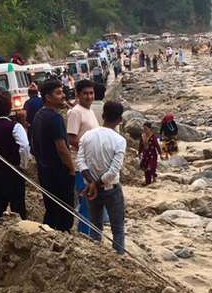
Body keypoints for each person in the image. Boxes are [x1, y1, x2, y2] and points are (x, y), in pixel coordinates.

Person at [77, 101, 128, 255]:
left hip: (91, 189)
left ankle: (96, 256)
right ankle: (119, 259)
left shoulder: (87, 136)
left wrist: (91, 183)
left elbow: (80, 161)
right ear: (120, 119)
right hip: (111, 189)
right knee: (117, 229)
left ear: (103, 116)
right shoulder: (119, 140)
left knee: (95, 226)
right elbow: (113, 170)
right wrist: (96, 184)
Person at [30, 79, 76, 231]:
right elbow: (61, 148)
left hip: (44, 172)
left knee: (51, 211)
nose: (63, 96)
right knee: (65, 214)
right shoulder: (55, 118)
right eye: (59, 93)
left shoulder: (38, 115)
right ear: (48, 97)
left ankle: (48, 237)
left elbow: (33, 144)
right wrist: (71, 169)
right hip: (59, 173)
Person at [0, 93, 31, 222]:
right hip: (14, 172)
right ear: (10, 109)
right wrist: (23, 164)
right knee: (18, 206)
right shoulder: (15, 127)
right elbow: (24, 146)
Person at [67, 79, 100, 236]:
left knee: (92, 202)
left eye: (91, 93)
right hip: (79, 165)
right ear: (78, 95)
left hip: (91, 164)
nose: (89, 96)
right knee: (85, 202)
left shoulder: (90, 111)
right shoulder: (76, 112)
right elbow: (71, 138)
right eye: (85, 93)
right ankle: (84, 235)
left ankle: (92, 234)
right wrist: (89, 146)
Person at [139, 121, 160, 186]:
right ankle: (148, 181)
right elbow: (140, 145)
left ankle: (154, 175)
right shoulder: (142, 136)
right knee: (144, 166)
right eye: (144, 129)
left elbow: (157, 145)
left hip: (152, 154)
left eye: (146, 129)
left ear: (150, 129)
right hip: (145, 154)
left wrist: (160, 154)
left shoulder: (153, 137)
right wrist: (139, 153)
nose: (145, 130)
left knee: (151, 166)